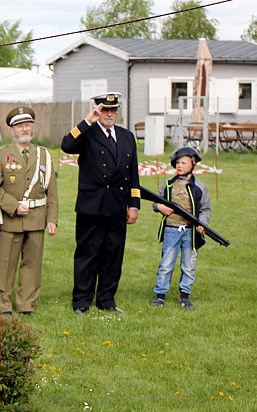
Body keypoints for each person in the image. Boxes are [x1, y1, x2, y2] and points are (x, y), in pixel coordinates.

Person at [61, 92, 140, 314]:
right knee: (88, 254)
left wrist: (133, 204)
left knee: (113, 254)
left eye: (113, 110)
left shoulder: (126, 136)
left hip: (116, 204)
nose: (109, 114)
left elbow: (133, 172)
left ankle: (107, 300)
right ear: (97, 109)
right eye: (105, 110)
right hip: (92, 205)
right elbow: (66, 144)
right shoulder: (88, 132)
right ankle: (82, 301)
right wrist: (88, 120)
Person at [0, 107, 58, 315]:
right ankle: (3, 305)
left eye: (28, 125)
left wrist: (52, 219)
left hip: (36, 218)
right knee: (6, 264)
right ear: (12, 131)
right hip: (11, 219)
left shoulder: (44, 155)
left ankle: (26, 304)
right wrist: (12, 206)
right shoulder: (0, 155)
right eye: (20, 126)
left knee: (32, 264)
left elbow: (52, 190)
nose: (25, 129)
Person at [151, 146, 210, 310]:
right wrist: (159, 207)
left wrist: (202, 224)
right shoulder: (168, 184)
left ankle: (184, 296)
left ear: (193, 164)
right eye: (177, 163)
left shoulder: (200, 187)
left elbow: (205, 209)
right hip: (171, 230)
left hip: (190, 233)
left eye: (183, 163)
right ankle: (160, 295)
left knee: (188, 265)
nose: (179, 166)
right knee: (166, 264)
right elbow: (156, 202)